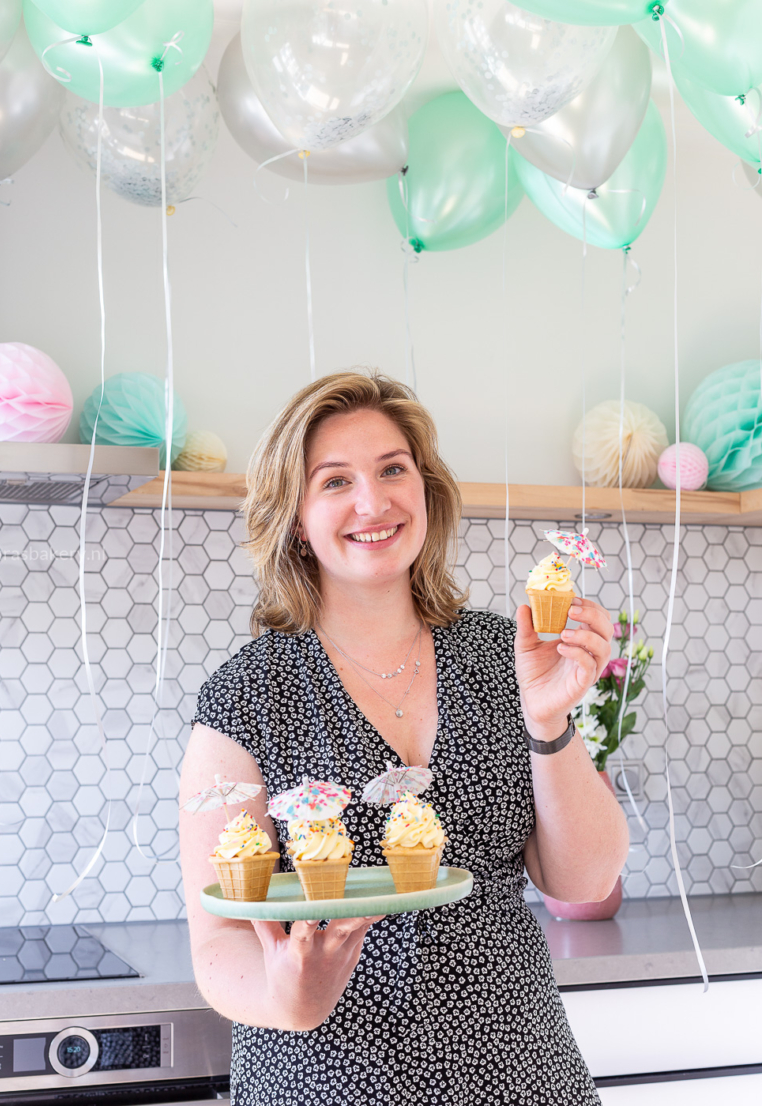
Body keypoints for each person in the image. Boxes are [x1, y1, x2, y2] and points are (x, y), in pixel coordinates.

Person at [180, 370, 628, 1106]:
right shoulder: (248, 696)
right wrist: (290, 999)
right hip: (329, 1082)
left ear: (425, 489)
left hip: (519, 1072)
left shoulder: (501, 655)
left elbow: (584, 879)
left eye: (393, 469)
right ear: (295, 518)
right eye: (334, 481)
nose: (372, 501)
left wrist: (547, 720)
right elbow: (219, 940)